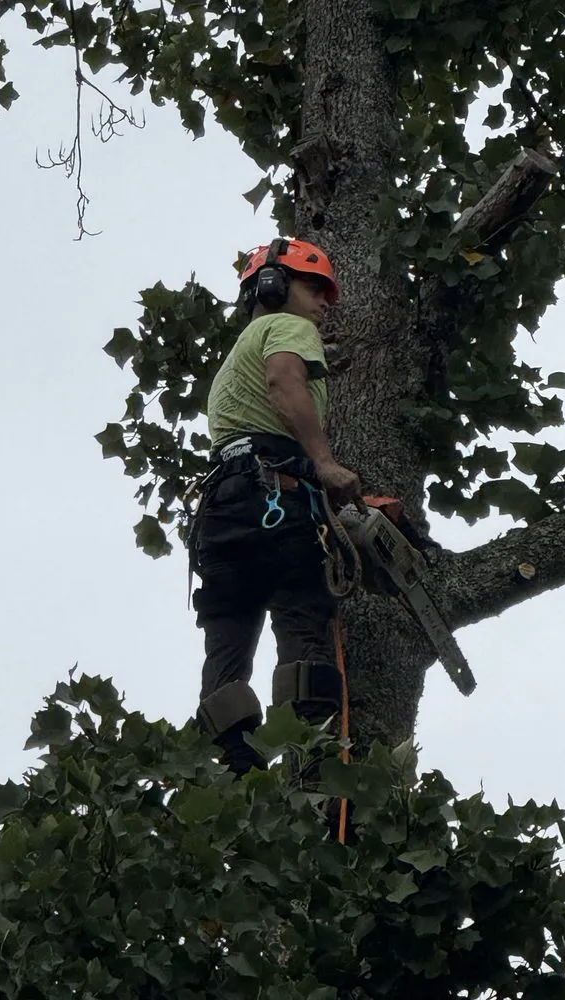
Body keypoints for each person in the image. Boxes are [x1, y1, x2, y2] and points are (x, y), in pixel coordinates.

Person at [189, 237, 364, 776]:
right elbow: (285, 382)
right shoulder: (287, 328)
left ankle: (237, 774)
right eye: (315, 288)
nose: (324, 303)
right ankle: (310, 762)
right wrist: (326, 465)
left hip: (221, 518)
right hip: (276, 504)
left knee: (226, 643)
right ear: (274, 285)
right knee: (304, 617)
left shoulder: (230, 361)